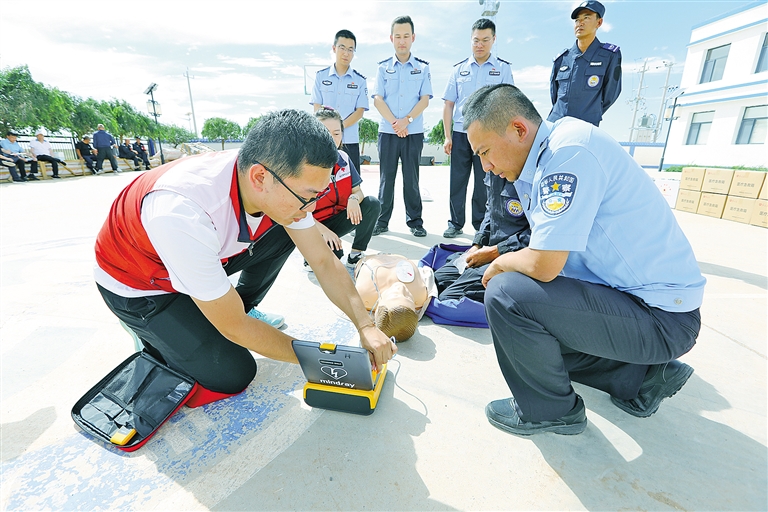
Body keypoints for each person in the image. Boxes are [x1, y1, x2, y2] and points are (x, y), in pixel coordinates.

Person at [94, 109, 396, 407]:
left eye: (318, 195)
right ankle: (151, 330)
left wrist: (365, 325)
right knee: (232, 373)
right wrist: (325, 359)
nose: (312, 208)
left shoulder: (278, 180)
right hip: (140, 285)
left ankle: (225, 305)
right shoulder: (182, 212)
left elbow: (323, 261)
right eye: (308, 197)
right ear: (260, 177)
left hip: (202, 256)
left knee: (284, 232)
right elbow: (235, 326)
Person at [462, 84, 705, 436]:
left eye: (485, 152)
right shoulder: (546, 155)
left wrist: (500, 263)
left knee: (507, 293)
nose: (486, 166)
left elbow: (544, 263)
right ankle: (644, 376)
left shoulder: (568, 154)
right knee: (531, 346)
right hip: (641, 307)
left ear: (518, 129)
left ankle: (550, 411)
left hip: (661, 318)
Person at [441, 18, 515, 238]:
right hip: (461, 134)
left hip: (489, 136)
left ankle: (480, 225)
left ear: (494, 39)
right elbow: (448, 104)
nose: (480, 44)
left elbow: (509, 102)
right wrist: (447, 136)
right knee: (457, 181)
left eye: (485, 40)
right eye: (476, 40)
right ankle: (455, 223)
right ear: (470, 40)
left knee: (485, 182)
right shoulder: (459, 70)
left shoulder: (502, 69)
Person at [372, 15, 432, 238]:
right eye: (397, 36)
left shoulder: (422, 68)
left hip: (413, 132)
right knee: (386, 179)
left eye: (406, 36)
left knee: (411, 179)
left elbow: (425, 99)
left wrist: (406, 121)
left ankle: (415, 222)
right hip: (388, 132)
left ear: (413, 37)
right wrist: (395, 124)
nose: (402, 40)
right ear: (391, 38)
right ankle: (381, 221)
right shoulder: (383, 68)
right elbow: (378, 99)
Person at [434, 170, 530, 303]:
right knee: (436, 280)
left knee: (449, 299)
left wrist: (496, 251)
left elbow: (539, 236)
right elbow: (491, 209)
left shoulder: (533, 176)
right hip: (490, 252)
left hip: (515, 259)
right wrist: (477, 244)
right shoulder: (493, 169)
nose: (484, 167)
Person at [310, 107, 381, 268]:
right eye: (325, 132)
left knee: (371, 204)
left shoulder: (344, 158)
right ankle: (310, 256)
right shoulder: (303, 165)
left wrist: (353, 198)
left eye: (336, 133)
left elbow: (357, 191)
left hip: (337, 218)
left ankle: (356, 254)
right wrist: (325, 232)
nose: (331, 138)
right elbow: (298, 214)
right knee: (333, 258)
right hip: (312, 225)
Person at [548, 0, 622, 127]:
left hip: (585, 127)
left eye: (586, 18)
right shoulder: (562, 58)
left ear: (599, 22)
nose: (580, 23)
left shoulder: (609, 55)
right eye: (577, 20)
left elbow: (611, 94)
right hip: (556, 124)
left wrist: (591, 113)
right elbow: (554, 95)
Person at [310, 29, 369, 170]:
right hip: (325, 140)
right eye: (342, 48)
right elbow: (317, 108)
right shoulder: (321, 76)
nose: (346, 53)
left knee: (351, 180)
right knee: (323, 179)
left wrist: (339, 128)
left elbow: (359, 112)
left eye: (350, 49)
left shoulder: (360, 80)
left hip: (350, 142)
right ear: (334, 48)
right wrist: (331, 130)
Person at [353, 253, 436, 342]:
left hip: (371, 257)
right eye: (408, 297)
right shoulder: (419, 296)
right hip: (400, 257)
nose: (401, 288)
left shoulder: (366, 294)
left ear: (379, 304)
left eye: (395, 295)